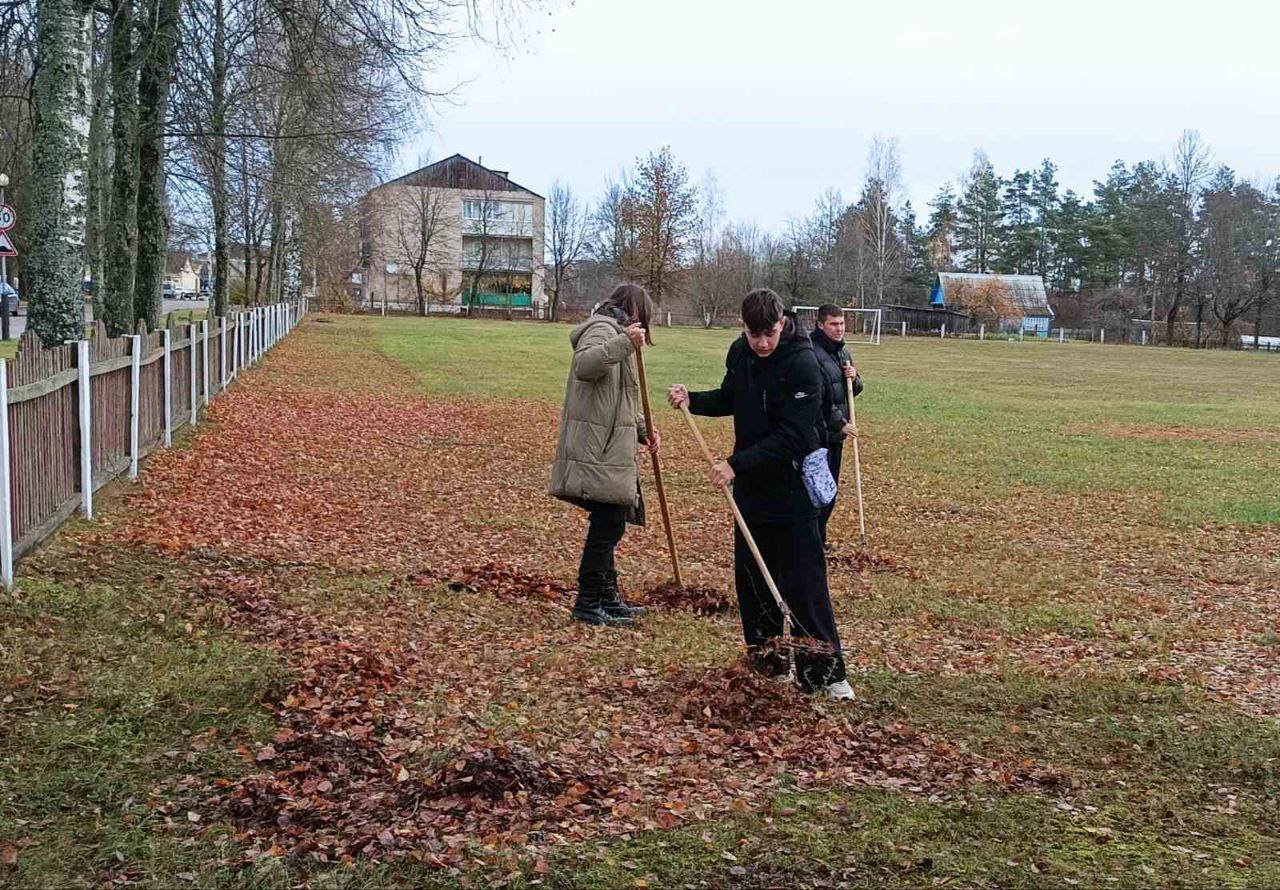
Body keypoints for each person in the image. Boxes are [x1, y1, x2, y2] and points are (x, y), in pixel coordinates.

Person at [668, 289, 853, 700]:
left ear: (782, 323)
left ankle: (825, 674)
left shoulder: (804, 363)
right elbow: (732, 397)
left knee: (804, 583)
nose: (763, 343)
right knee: (752, 582)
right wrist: (692, 400)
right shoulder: (741, 353)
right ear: (743, 328)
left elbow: (795, 435)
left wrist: (735, 464)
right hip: (752, 492)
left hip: (792, 489)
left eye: (769, 333)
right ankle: (767, 667)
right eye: (755, 335)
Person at [549, 284, 661, 628]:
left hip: (611, 445)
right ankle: (588, 602)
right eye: (644, 319)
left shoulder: (617, 334)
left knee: (611, 522)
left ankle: (608, 599)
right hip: (597, 447)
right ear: (634, 311)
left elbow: (622, 398)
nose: (644, 327)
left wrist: (644, 431)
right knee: (607, 524)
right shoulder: (602, 329)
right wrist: (626, 341)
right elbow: (585, 365)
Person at [810, 304, 863, 548]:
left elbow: (851, 391)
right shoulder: (812, 353)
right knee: (817, 491)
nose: (839, 329)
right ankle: (813, 539)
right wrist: (840, 424)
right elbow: (818, 399)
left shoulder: (843, 353)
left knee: (830, 489)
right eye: (833, 324)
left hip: (836, 436)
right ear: (820, 324)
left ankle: (820, 537)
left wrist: (854, 377)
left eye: (841, 323)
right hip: (818, 434)